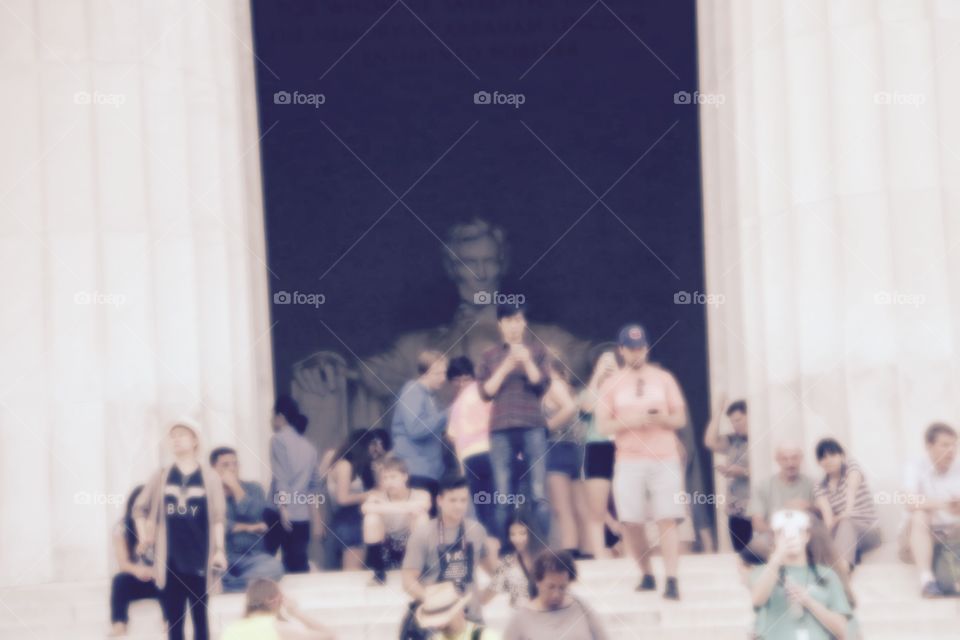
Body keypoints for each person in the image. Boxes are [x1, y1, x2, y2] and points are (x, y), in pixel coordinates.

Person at [595, 324, 688, 600]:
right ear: (622, 350)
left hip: (664, 455)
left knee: (667, 518)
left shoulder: (663, 378)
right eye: (631, 348)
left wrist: (660, 419)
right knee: (630, 521)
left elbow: (679, 419)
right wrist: (631, 421)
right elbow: (602, 425)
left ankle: (671, 578)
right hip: (630, 457)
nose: (637, 353)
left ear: (646, 348)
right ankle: (646, 572)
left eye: (641, 347)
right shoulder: (611, 384)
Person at [134, 419, 227, 640]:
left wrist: (220, 549)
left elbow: (218, 518)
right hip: (170, 559)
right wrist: (143, 536)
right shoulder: (163, 475)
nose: (176, 439)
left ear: (195, 440)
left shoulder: (210, 477)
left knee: (200, 620)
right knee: (174, 621)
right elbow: (139, 508)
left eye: (182, 435)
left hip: (200, 557)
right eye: (173, 436)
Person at [477, 303, 552, 547]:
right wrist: (507, 365)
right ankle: (504, 555)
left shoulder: (538, 351)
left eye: (518, 320)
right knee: (502, 496)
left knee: (539, 494)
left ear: (524, 323)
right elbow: (485, 392)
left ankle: (545, 551)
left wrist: (527, 361)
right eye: (509, 321)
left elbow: (541, 385)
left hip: (532, 424)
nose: (514, 325)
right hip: (500, 427)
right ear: (500, 324)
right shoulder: (489, 355)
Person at [402, 475, 499, 624]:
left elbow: (495, 573)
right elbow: (408, 581)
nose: (459, 506)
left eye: (463, 500)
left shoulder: (476, 530)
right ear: (440, 501)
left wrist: (483, 598)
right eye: (453, 500)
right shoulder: (422, 534)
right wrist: (433, 600)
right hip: (437, 620)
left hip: (471, 619)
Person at [748, 510, 854, 640]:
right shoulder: (763, 572)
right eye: (782, 532)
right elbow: (757, 600)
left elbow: (842, 630)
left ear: (807, 535)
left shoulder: (827, 574)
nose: (791, 536)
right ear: (774, 537)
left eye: (797, 531)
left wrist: (808, 601)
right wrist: (778, 556)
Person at [209, 447, 285, 592]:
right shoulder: (208, 493)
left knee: (274, 568)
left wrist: (236, 488)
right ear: (213, 469)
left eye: (235, 464)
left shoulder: (254, 488)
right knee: (202, 572)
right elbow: (214, 524)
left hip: (252, 556)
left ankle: (229, 588)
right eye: (225, 465)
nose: (232, 469)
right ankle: (250, 586)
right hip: (220, 556)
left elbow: (256, 514)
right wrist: (249, 527)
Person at [901, 422, 960, 597]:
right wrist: (944, 504)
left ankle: (947, 576)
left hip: (951, 535)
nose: (951, 450)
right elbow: (910, 501)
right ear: (929, 446)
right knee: (920, 514)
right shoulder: (914, 465)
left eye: (954, 445)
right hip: (917, 536)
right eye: (945, 445)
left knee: (950, 581)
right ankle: (927, 580)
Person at [268, 395, 322, 573]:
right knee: (298, 567)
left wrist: (283, 506)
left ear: (280, 417)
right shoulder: (309, 447)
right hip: (302, 515)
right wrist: (317, 519)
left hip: (279, 512)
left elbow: (281, 476)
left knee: (267, 563)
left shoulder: (278, 440)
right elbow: (314, 486)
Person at [503, 550, 607, 640]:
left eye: (562, 587)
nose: (556, 594)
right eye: (551, 587)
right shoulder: (521, 618)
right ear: (538, 582)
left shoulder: (581, 608)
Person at [391, 350, 451, 507]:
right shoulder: (413, 390)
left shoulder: (431, 397)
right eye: (438, 373)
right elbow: (415, 429)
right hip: (414, 471)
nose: (443, 378)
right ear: (424, 373)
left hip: (430, 472)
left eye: (444, 373)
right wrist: (448, 414)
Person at [445, 356, 496, 539]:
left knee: (485, 506)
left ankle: (493, 548)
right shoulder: (459, 404)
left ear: (473, 377)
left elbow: (453, 436)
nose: (461, 383)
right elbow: (454, 438)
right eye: (457, 380)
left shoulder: (477, 397)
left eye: (465, 378)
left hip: (480, 456)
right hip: (480, 457)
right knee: (491, 504)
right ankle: (494, 549)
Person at [813, 438, 881, 574]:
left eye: (832, 455)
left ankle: (841, 574)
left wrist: (846, 513)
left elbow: (851, 489)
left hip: (868, 531)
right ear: (819, 462)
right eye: (823, 457)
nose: (828, 460)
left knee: (847, 522)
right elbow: (829, 519)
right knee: (829, 532)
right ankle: (841, 565)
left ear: (842, 456)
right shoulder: (819, 486)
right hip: (844, 531)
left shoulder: (851, 467)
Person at [325, 428, 389, 570]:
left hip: (353, 519)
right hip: (349, 520)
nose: (374, 448)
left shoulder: (357, 467)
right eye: (372, 444)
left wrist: (379, 463)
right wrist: (368, 495)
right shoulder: (345, 465)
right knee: (352, 570)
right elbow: (342, 498)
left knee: (358, 568)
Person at [578, 350, 621, 559]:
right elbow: (587, 405)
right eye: (603, 362)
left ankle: (630, 555)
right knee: (597, 508)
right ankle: (600, 557)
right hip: (597, 446)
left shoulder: (625, 386)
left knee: (627, 507)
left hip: (623, 446)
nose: (608, 366)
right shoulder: (591, 389)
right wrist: (598, 376)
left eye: (611, 362)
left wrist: (619, 375)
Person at [362, 456, 431, 584]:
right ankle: (379, 574)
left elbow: (423, 506)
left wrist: (382, 507)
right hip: (386, 547)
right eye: (385, 478)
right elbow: (365, 508)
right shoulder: (376, 495)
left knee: (422, 518)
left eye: (393, 477)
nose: (389, 482)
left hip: (411, 547)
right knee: (370, 518)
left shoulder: (421, 494)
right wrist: (407, 507)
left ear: (404, 476)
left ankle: (421, 570)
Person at [542, 352, 585, 556]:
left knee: (562, 508)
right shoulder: (567, 386)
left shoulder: (553, 385)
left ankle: (570, 552)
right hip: (572, 449)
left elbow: (569, 408)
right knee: (578, 506)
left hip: (555, 449)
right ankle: (585, 549)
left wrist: (547, 427)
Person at [745, 441, 816, 561]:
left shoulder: (812, 484)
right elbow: (757, 522)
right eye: (785, 459)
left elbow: (822, 518)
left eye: (794, 458)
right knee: (756, 548)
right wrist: (778, 536)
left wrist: (809, 506)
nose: (790, 463)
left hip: (806, 537)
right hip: (772, 534)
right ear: (777, 460)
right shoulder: (763, 486)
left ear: (801, 459)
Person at [110, 485, 164, 636]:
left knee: (169, 578)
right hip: (136, 579)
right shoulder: (121, 528)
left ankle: (170, 621)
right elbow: (123, 563)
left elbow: (171, 559)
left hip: (158, 580)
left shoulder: (162, 527)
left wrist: (155, 571)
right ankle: (119, 624)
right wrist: (139, 571)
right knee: (119, 580)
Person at [703, 394, 751, 552]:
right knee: (740, 556)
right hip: (735, 509)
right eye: (732, 422)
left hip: (754, 509)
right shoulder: (732, 440)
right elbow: (710, 441)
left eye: (738, 420)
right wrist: (718, 411)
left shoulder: (762, 439)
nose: (735, 425)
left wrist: (743, 472)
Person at [220, 578, 335, 640]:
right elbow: (330, 636)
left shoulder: (231, 629)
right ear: (274, 600)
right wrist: (296, 612)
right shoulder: (279, 629)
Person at [489, 511, 544, 608]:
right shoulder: (507, 562)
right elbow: (492, 591)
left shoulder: (545, 559)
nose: (517, 539)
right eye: (512, 534)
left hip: (542, 615)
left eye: (522, 533)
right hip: (518, 616)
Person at [414, 582, 500, 640]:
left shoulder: (485, 637)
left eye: (444, 619)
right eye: (435, 622)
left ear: (460, 610)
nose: (440, 625)